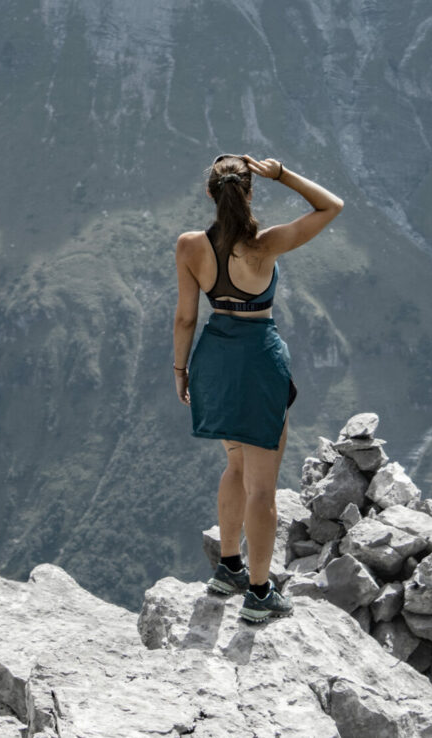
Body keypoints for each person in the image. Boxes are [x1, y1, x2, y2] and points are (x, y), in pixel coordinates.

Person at [172, 153, 343, 623]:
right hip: (258, 364)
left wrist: (180, 370)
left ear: (210, 194)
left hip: (214, 362)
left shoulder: (189, 246)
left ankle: (229, 568)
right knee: (262, 489)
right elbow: (331, 206)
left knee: (234, 465)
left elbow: (186, 317)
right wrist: (282, 174)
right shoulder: (265, 246)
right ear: (249, 192)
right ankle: (260, 593)